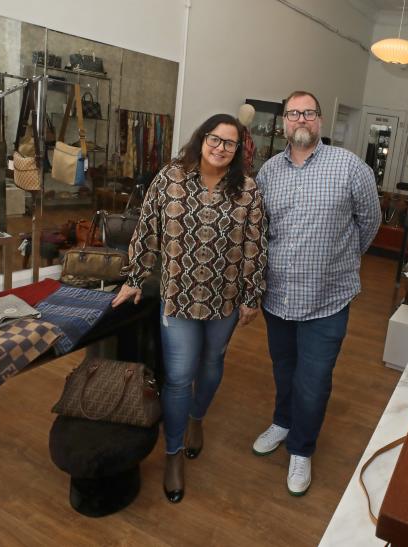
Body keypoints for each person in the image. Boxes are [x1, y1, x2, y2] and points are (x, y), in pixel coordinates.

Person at [112, 113, 267, 503]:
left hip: (225, 298)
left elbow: (254, 245)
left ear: (238, 151)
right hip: (178, 296)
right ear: (202, 139)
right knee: (179, 377)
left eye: (230, 144)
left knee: (212, 365)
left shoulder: (247, 189)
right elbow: (148, 229)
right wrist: (134, 277)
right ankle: (174, 453)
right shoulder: (170, 178)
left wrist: (252, 295)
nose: (220, 148)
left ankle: (198, 418)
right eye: (215, 139)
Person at [252, 91, 381, 496]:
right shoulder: (269, 172)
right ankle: (283, 420)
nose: (300, 119)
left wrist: (337, 262)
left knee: (314, 379)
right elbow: (262, 229)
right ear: (284, 123)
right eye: (293, 113)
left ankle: (302, 448)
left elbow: (370, 222)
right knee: (283, 369)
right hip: (278, 298)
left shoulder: (349, 167)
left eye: (308, 112)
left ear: (319, 121)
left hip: (327, 298)